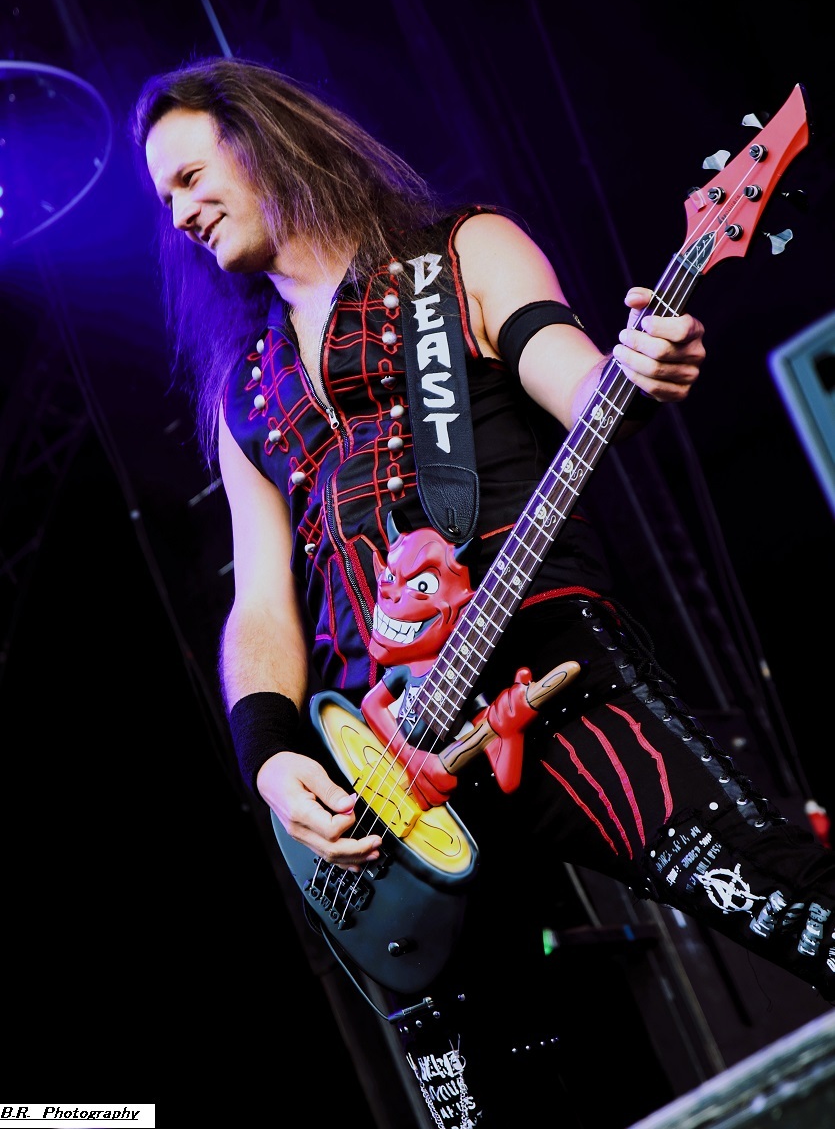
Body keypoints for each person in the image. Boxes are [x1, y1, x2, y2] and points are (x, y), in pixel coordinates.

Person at [134, 56, 834, 1125]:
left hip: (549, 684)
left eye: (189, 177)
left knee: (788, 900)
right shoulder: (246, 392)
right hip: (390, 778)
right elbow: (262, 607)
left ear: (262, 140)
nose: (179, 213)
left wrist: (637, 368)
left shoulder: (460, 252)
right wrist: (269, 759)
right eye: (164, 199)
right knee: (478, 1103)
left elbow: (579, 381)